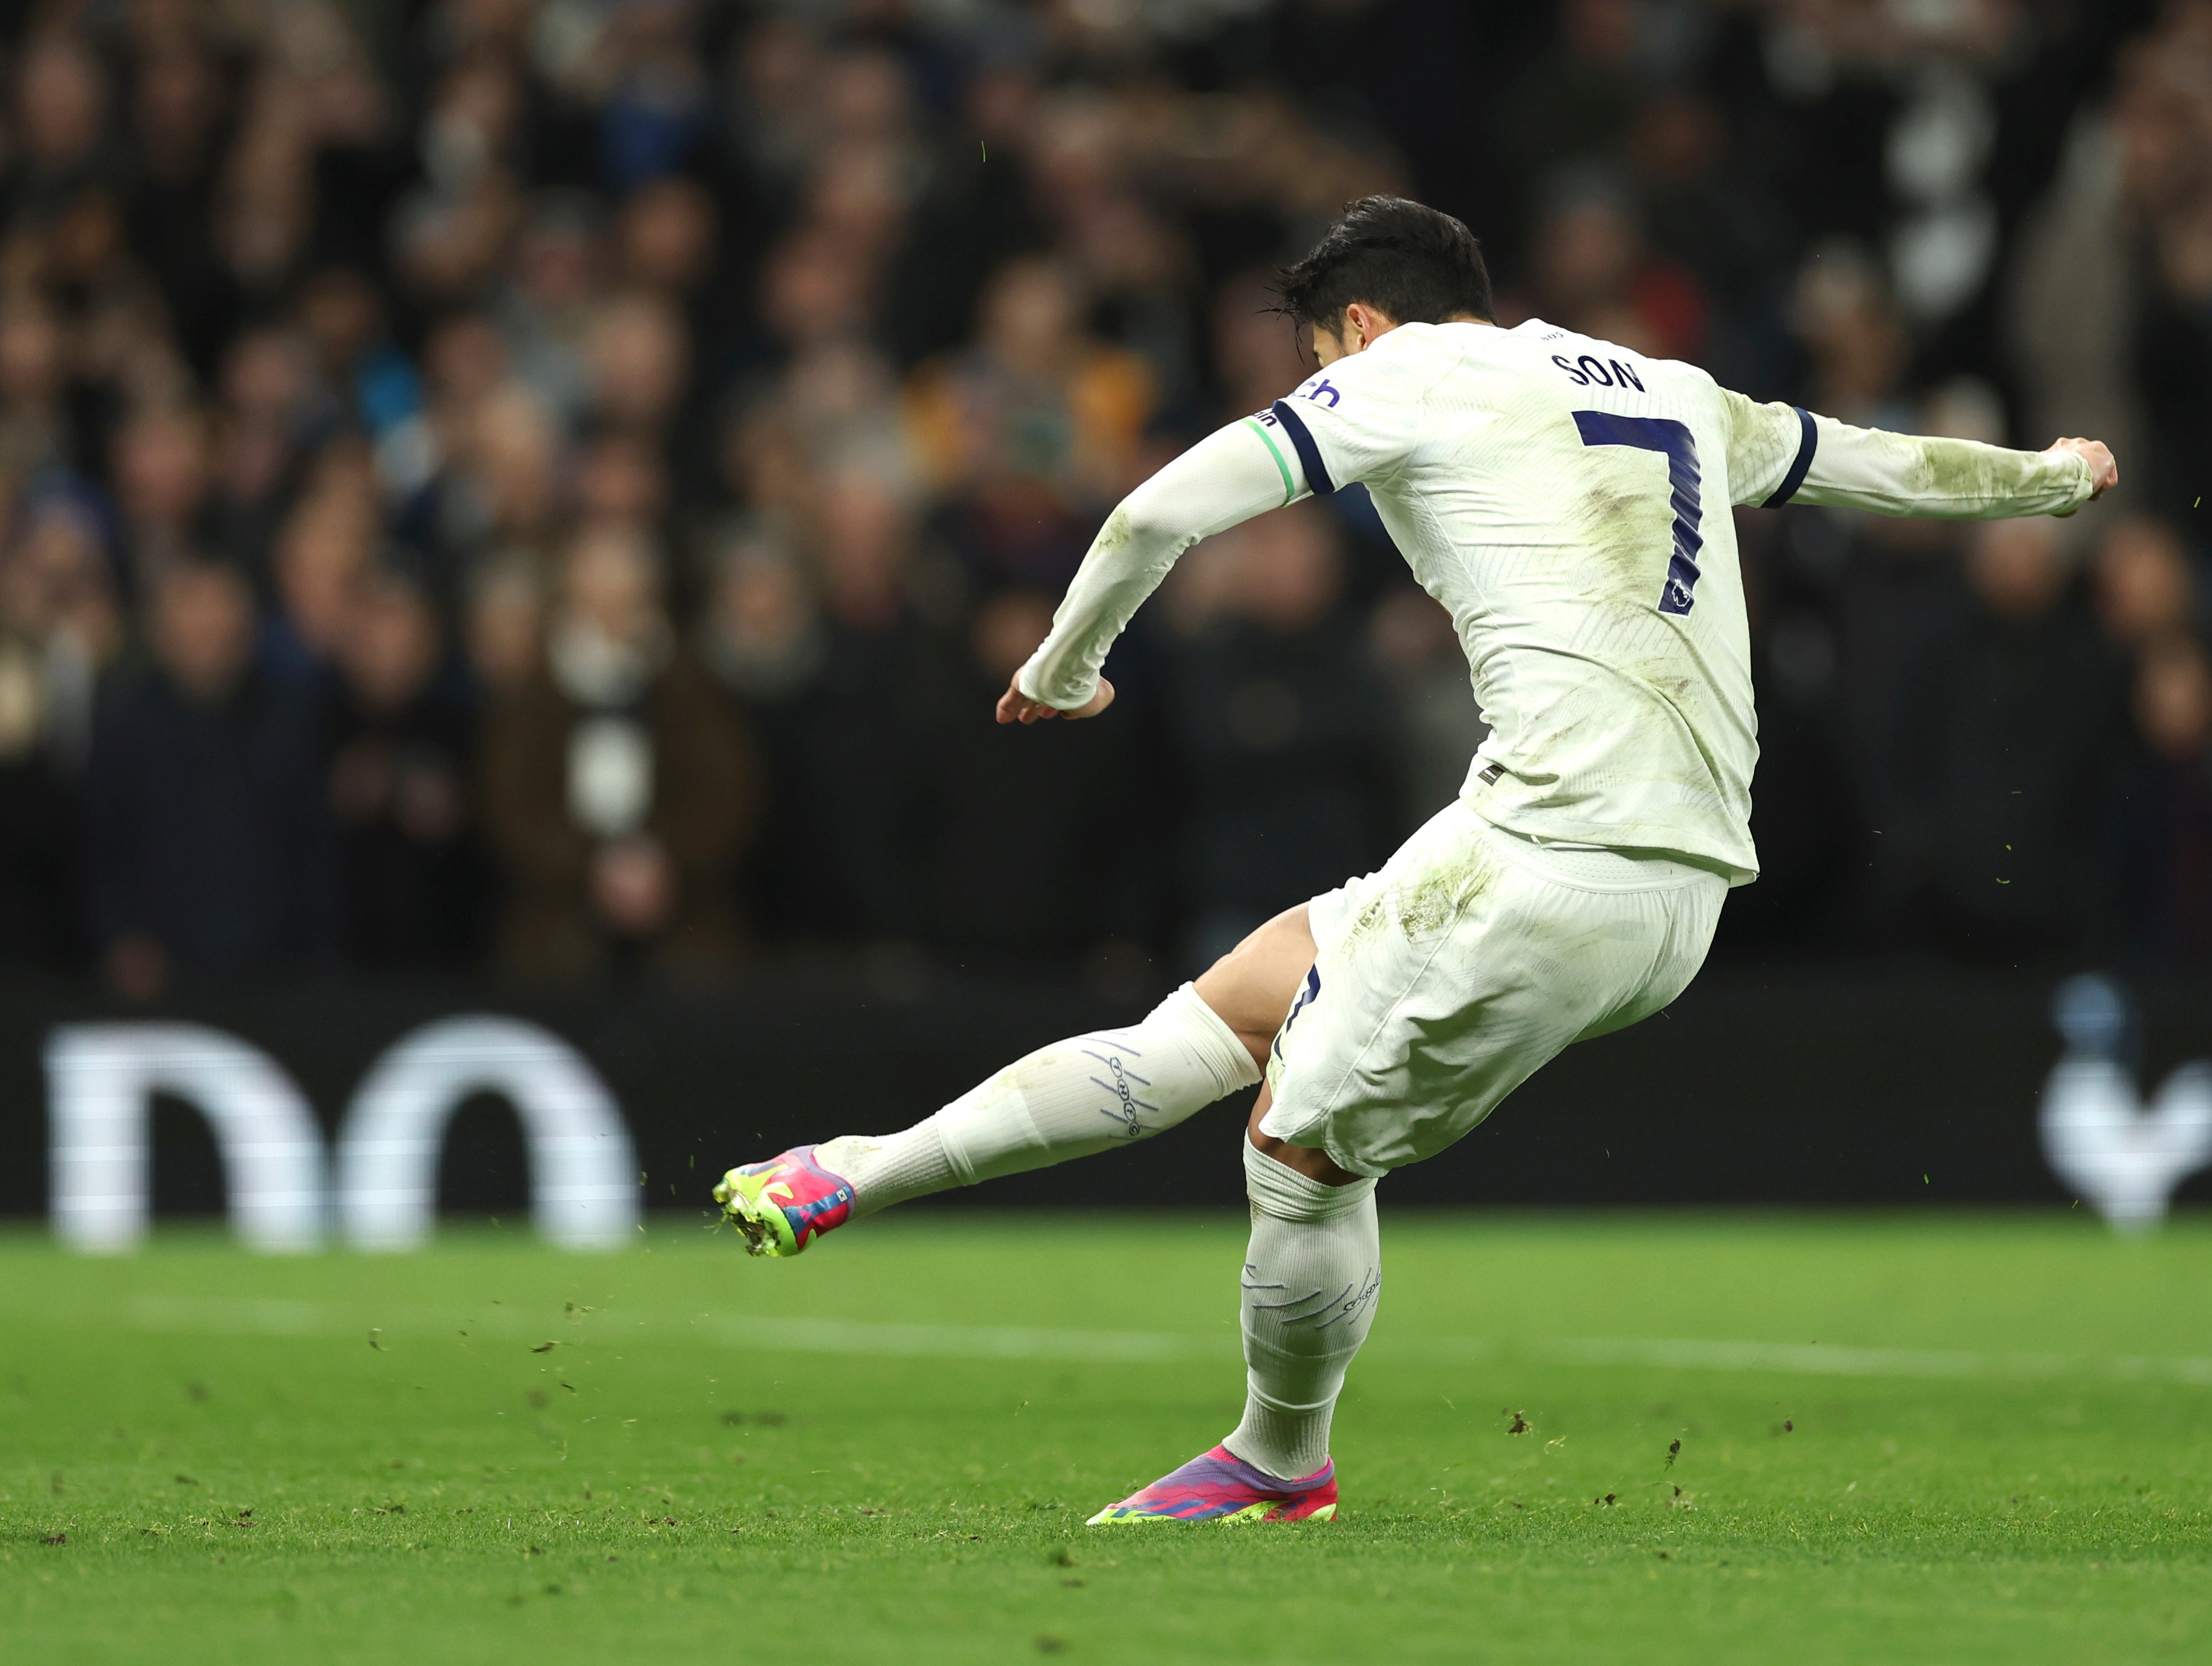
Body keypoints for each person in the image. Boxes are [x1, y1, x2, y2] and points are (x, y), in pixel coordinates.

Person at [712, 196, 2117, 1526]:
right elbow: (1875, 461)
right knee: (1241, 1000)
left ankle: (1277, 1460)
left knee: (1303, 1147)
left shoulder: (1407, 375)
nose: (1324, 378)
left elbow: (1152, 515)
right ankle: (857, 1166)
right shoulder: (1669, 384)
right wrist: (2050, 485)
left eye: (1318, 355)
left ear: (1362, 329)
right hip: (1617, 855)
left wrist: (1062, 664)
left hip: (1560, 864)